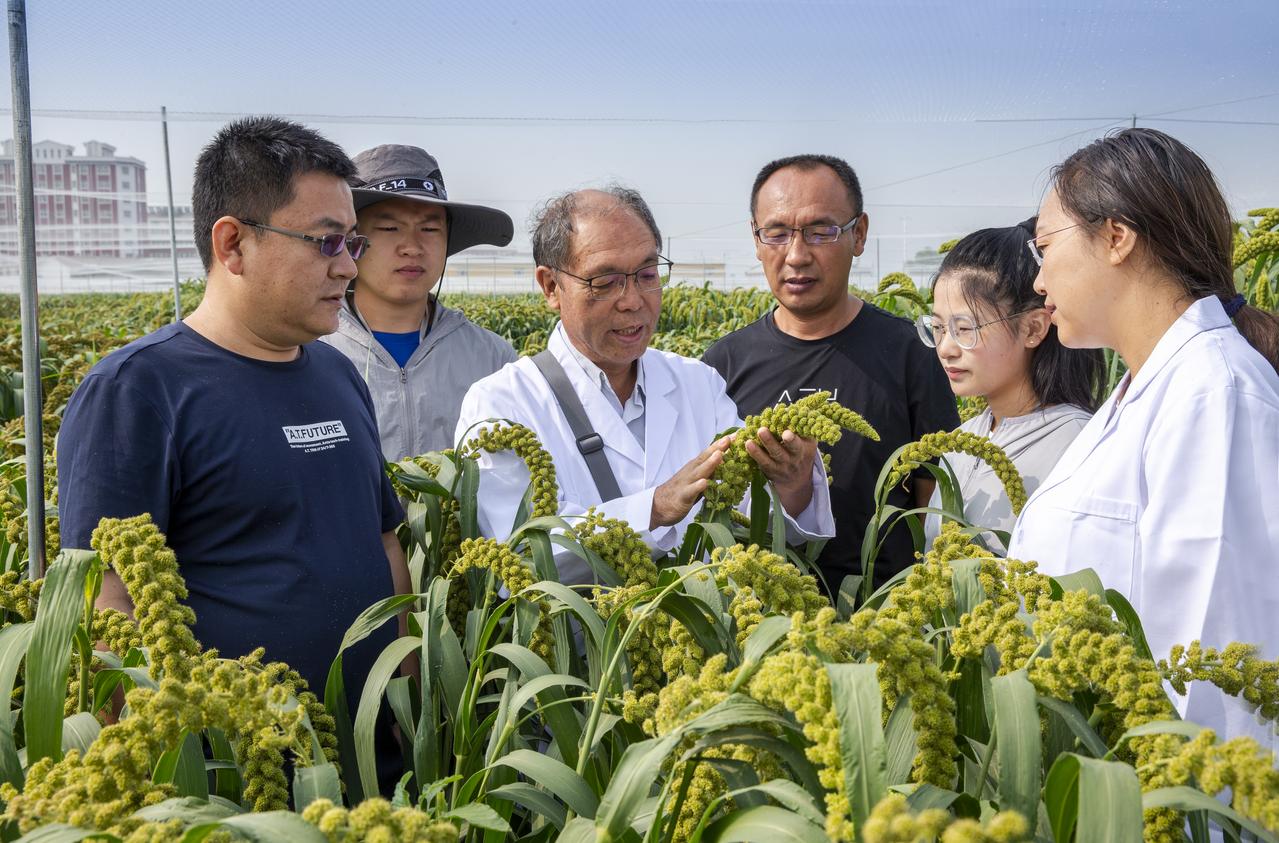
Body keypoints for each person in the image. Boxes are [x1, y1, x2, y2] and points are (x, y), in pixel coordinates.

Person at [57, 117, 410, 788]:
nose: (349, 263)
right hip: (235, 789)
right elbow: (105, 607)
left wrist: (408, 704)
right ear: (234, 243)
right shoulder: (137, 391)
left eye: (353, 240)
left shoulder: (338, 375)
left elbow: (383, 543)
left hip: (371, 769)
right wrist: (164, 777)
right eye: (326, 240)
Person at [1007, 128, 1279, 748]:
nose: (1039, 281)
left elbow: (1226, 665)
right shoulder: (1145, 389)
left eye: (1044, 246)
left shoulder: (1217, 396)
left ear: (1116, 237)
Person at [455, 186, 835, 583]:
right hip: (585, 643)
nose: (633, 300)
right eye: (605, 281)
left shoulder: (697, 383)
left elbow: (752, 522)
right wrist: (654, 507)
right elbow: (518, 555)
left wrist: (792, 486)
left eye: (647, 274)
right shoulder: (500, 404)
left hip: (709, 639)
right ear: (551, 287)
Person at [703, 154, 959, 594]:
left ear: (858, 235)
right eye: (777, 233)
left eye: (822, 231)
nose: (797, 255)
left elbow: (933, 506)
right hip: (756, 622)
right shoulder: (719, 366)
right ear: (756, 237)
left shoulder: (912, 355)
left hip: (883, 621)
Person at [320, 145, 517, 459]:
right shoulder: (309, 350)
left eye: (429, 229)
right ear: (353, 240)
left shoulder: (494, 359)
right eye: (389, 228)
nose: (412, 247)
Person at [920, 219, 1104, 552]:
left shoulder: (1079, 445)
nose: (946, 347)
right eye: (937, 328)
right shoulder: (964, 439)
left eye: (964, 328)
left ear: (1033, 328)